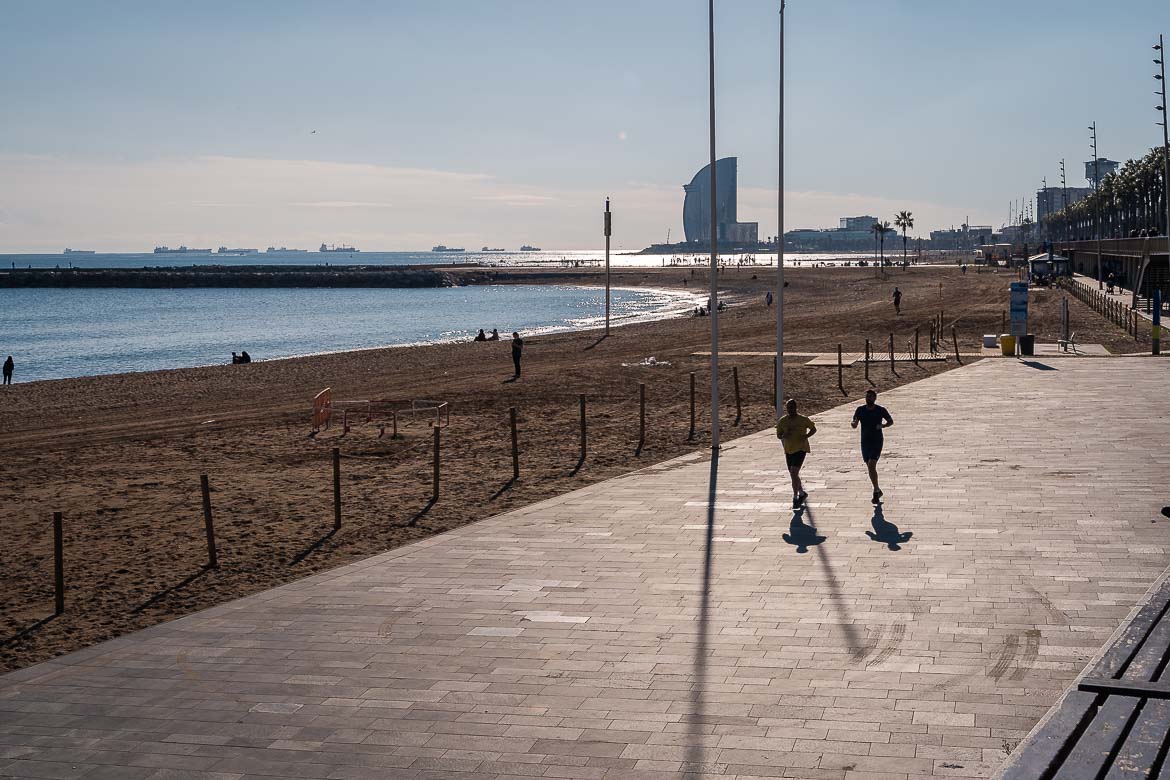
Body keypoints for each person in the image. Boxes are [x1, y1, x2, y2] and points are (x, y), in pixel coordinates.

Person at [851, 389, 893, 504]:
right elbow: (854, 422)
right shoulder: (860, 410)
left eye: (870, 396)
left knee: (871, 464)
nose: (868, 398)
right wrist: (854, 424)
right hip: (865, 442)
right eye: (867, 396)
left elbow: (890, 421)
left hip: (877, 441)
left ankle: (875, 491)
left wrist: (883, 426)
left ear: (875, 398)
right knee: (870, 467)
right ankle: (877, 489)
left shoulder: (880, 410)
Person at [776, 399, 817, 509]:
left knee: (794, 472)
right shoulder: (782, 421)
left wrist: (806, 436)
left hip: (801, 448)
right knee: (793, 474)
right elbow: (778, 435)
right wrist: (784, 435)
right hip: (789, 449)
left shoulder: (803, 419)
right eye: (788, 408)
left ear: (796, 407)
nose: (790, 410)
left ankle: (795, 498)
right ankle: (802, 494)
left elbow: (813, 429)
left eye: (792, 407)